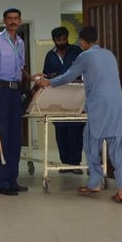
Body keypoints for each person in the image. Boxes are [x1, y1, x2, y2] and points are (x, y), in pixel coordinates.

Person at [35, 25, 122, 203]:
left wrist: (49, 82)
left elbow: (68, 76)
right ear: (96, 39)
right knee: (121, 146)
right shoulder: (109, 54)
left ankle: (94, 183)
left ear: (82, 42)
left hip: (99, 105)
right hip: (119, 105)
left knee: (91, 142)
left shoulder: (85, 56)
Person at [0, 8, 31, 196]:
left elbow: (21, 68)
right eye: (10, 18)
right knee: (1, 137)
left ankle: (13, 179)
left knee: (15, 138)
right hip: (2, 90)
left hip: (16, 92)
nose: (13, 21)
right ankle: (2, 183)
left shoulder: (20, 42)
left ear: (20, 20)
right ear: (4, 21)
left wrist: (31, 78)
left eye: (16, 18)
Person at [42, 26, 85, 174]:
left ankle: (75, 163)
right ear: (54, 40)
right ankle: (65, 163)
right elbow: (46, 75)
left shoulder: (76, 51)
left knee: (75, 130)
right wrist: (51, 77)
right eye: (58, 40)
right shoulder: (50, 55)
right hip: (57, 97)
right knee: (61, 130)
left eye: (64, 39)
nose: (61, 42)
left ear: (67, 38)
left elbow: (83, 70)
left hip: (75, 96)